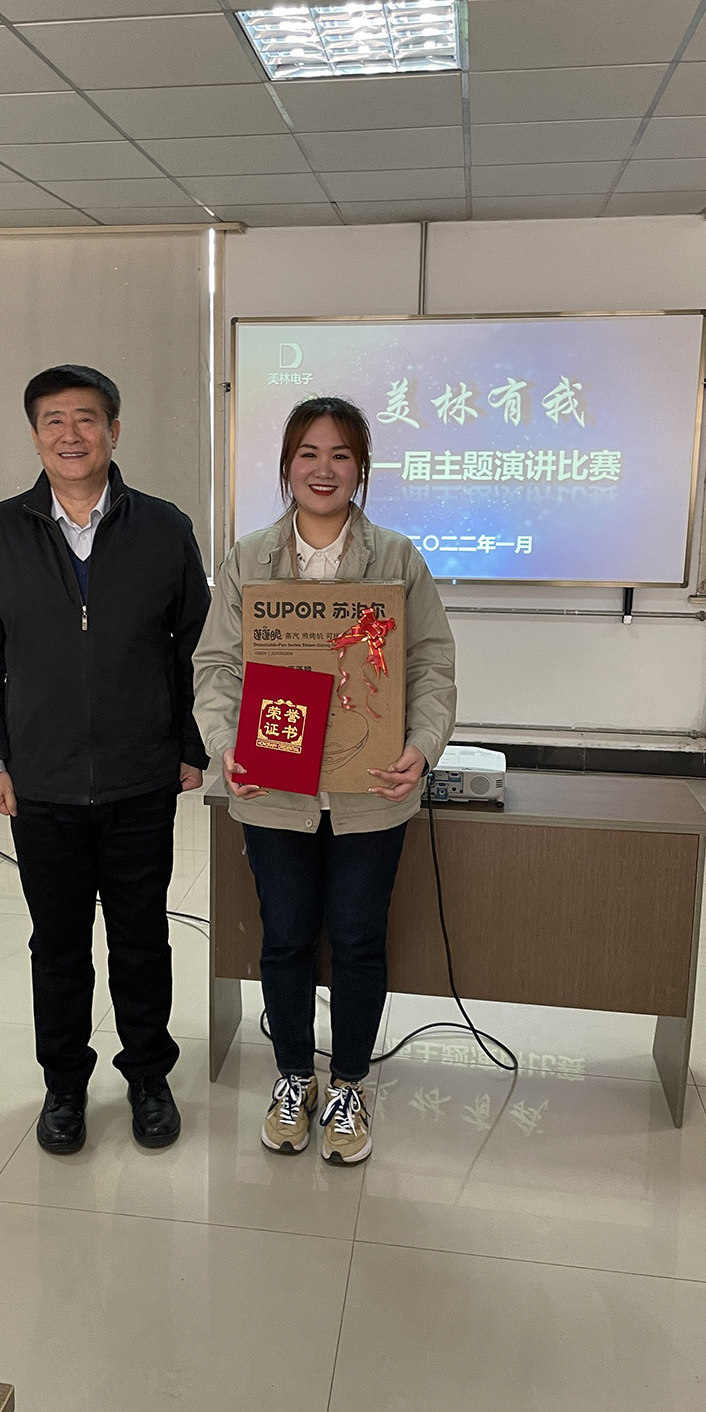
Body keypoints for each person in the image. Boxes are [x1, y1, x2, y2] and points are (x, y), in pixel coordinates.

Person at [0, 364, 210, 1156]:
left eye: (87, 419)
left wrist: (192, 745)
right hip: (43, 782)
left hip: (141, 778)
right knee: (58, 945)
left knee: (142, 940)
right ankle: (63, 1085)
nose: (72, 434)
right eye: (54, 421)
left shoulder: (163, 527)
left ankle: (148, 1078)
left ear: (114, 431)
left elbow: (199, 650)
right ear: (35, 437)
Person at [193, 397, 455, 1166]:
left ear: (361, 469)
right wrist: (225, 744)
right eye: (308, 453)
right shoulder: (248, 560)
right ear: (286, 466)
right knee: (285, 938)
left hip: (371, 790)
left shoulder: (398, 559)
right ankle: (292, 1079)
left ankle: (348, 1087)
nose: (323, 469)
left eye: (341, 455)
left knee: (359, 939)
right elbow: (217, 666)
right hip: (275, 788)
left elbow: (431, 665)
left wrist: (423, 746)